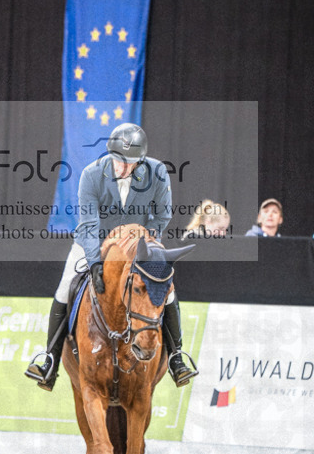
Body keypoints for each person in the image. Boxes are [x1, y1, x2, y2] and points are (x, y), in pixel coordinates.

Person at [25, 122, 198, 392]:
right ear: (110, 154)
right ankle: (50, 359)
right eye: (119, 160)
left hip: (139, 244)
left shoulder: (158, 172)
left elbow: (162, 215)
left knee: (168, 290)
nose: (124, 167)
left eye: (131, 163)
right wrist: (95, 262)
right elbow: (87, 225)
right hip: (94, 242)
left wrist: (145, 238)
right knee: (64, 286)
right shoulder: (91, 174)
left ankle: (176, 357)